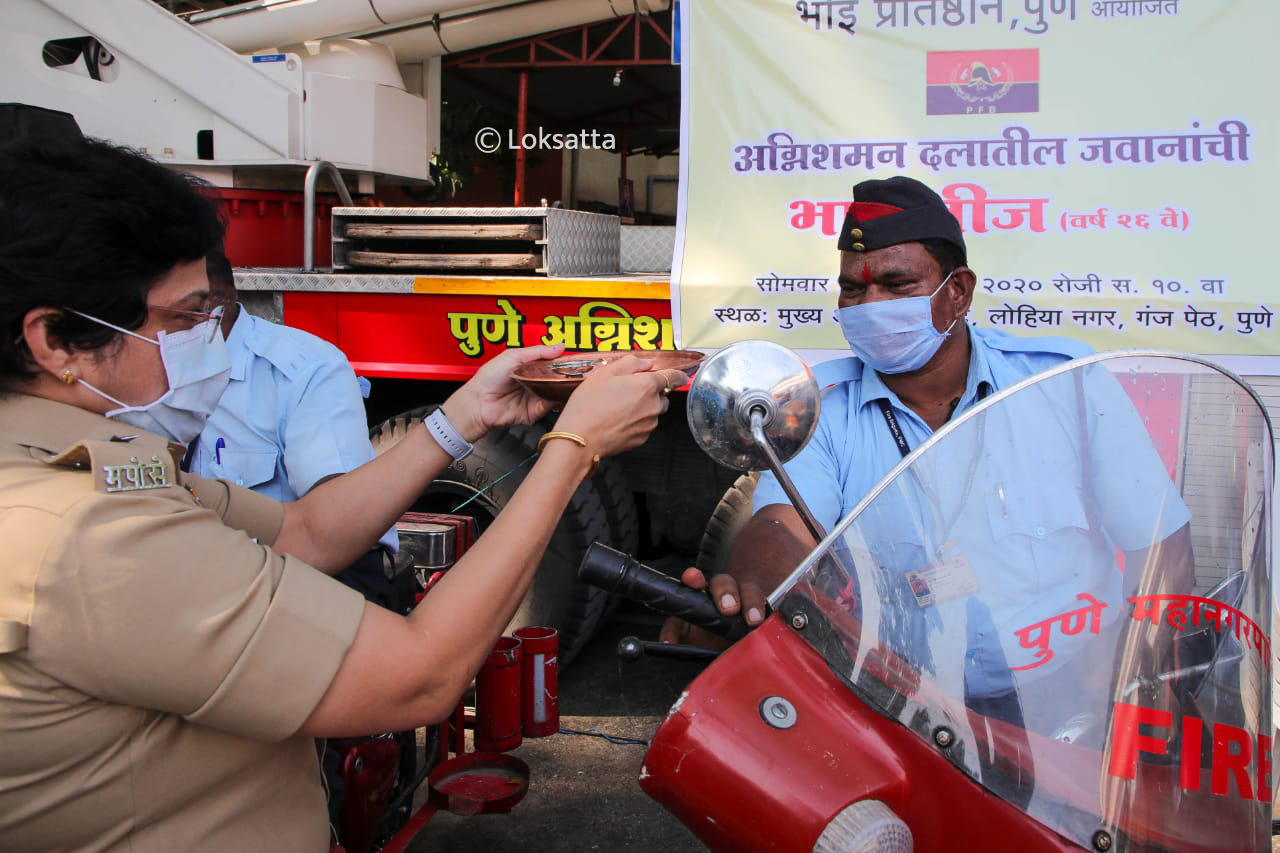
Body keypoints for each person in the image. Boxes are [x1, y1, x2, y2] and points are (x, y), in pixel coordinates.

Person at [0, 136, 687, 852]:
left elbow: (306, 532)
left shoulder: (80, 465)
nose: (211, 343)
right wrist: (573, 450)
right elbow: (419, 675)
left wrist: (462, 417)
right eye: (182, 321)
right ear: (55, 340)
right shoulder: (87, 532)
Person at [659, 175, 1192, 802]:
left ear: (956, 292)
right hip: (902, 709)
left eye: (896, 284)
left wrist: (1151, 676)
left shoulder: (1064, 384)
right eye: (852, 288)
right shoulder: (820, 408)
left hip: (1070, 704)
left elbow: (1162, 543)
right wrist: (749, 587)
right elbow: (782, 526)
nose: (867, 305)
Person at [192, 250, 398, 609]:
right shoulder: (144, 372)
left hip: (294, 596)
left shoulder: (304, 371)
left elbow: (339, 529)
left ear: (215, 301)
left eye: (177, 314)